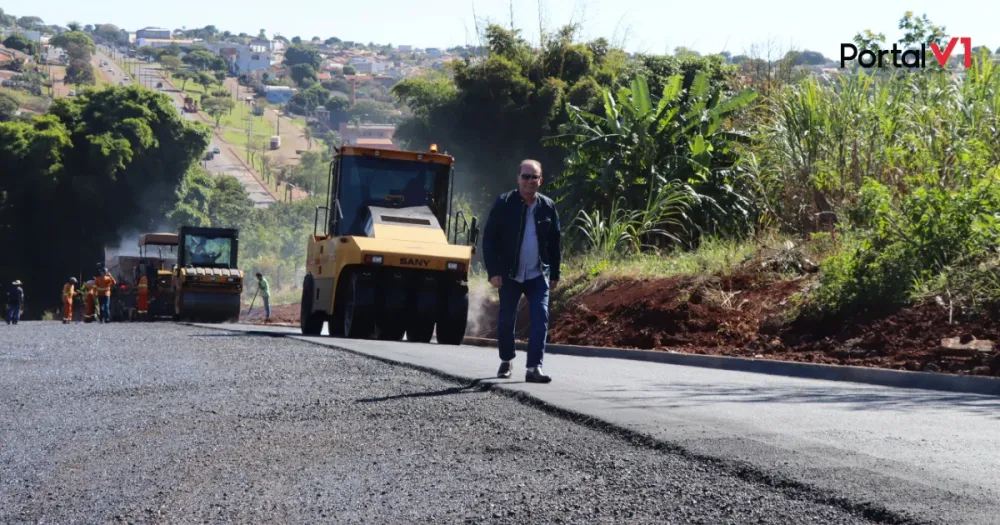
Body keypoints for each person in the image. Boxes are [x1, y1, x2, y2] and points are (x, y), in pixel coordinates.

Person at [482, 159, 562, 383]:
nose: (529, 181)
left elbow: (555, 242)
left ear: (540, 180)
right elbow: (489, 240)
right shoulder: (504, 203)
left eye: (533, 177)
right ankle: (506, 360)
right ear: (518, 179)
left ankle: (534, 367)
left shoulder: (547, 206)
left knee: (540, 316)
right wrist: (493, 271)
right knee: (507, 319)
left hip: (537, 273)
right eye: (525, 177)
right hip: (509, 274)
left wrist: (555, 272)